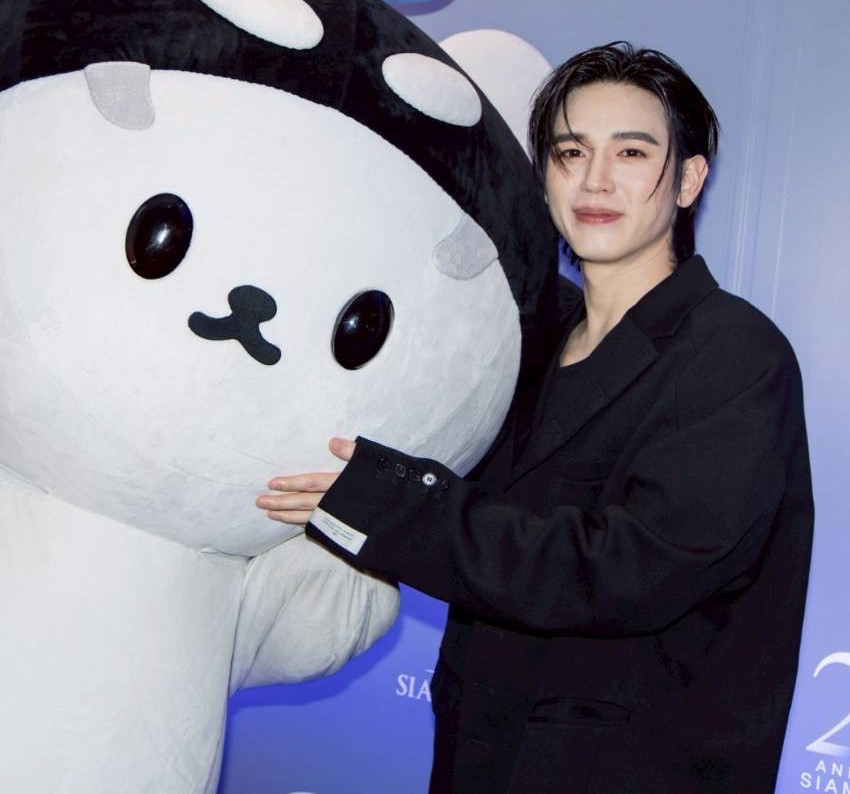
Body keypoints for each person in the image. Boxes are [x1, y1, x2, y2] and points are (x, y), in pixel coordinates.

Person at [257, 42, 814, 793]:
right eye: (570, 151)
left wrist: (392, 503)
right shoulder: (529, 333)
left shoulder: (733, 351)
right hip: (481, 754)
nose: (595, 180)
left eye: (631, 153)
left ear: (687, 180)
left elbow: (627, 571)